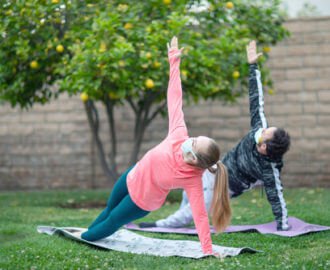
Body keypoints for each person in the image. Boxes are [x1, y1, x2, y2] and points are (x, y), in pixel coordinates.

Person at [81, 37, 232, 256]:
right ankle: (88, 233)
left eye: (195, 143)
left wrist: (207, 249)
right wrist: (174, 62)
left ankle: (84, 238)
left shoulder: (192, 180)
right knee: (109, 209)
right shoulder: (179, 134)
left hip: (142, 201)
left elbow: (200, 216)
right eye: (196, 137)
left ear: (194, 159)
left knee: (114, 220)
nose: (191, 139)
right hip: (131, 177)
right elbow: (175, 97)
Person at [139, 40, 291, 231]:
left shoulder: (269, 169)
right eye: (265, 128)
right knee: (190, 183)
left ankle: (161, 225)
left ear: (264, 148)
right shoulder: (258, 129)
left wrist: (283, 225)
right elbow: (256, 99)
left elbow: (276, 195)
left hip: (224, 188)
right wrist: (253, 65)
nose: (260, 130)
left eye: (264, 134)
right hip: (215, 168)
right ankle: (169, 222)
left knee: (196, 209)